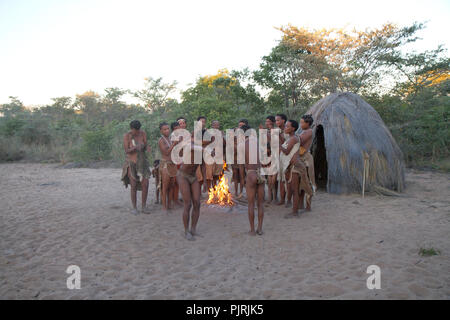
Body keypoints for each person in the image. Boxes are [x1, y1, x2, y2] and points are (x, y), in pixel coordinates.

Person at [121, 120, 151, 215]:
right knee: (133, 185)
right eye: (135, 131)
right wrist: (135, 147)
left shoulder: (142, 133)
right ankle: (134, 207)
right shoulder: (127, 136)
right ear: (131, 129)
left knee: (145, 184)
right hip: (132, 162)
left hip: (142, 162)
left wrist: (145, 146)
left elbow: (146, 145)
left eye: (138, 130)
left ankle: (144, 206)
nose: (137, 132)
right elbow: (126, 150)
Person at [176, 142, 203, 240]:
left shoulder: (202, 152)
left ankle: (193, 229)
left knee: (197, 203)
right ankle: (186, 231)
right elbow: (191, 146)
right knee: (188, 204)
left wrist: (203, 182)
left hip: (193, 177)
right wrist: (204, 149)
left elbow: (202, 167)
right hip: (183, 176)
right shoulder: (191, 147)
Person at [242, 125, 265, 235]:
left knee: (251, 204)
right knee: (260, 203)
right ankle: (260, 228)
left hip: (251, 173)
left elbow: (242, 165)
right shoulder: (259, 142)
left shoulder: (243, 144)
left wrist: (243, 179)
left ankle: (252, 230)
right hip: (260, 172)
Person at [294, 114, 316, 211]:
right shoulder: (303, 131)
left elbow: (299, 141)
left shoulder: (309, 131)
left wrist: (292, 137)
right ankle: (301, 204)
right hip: (300, 157)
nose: (301, 124)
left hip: (306, 158)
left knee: (307, 182)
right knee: (300, 183)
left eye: (302, 122)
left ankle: (308, 206)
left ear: (308, 123)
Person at [158, 122, 179, 211]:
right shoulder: (161, 141)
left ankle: (169, 204)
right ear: (161, 131)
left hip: (173, 164)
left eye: (167, 129)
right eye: (164, 129)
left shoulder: (171, 139)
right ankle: (164, 206)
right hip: (165, 164)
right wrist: (174, 144)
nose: (167, 131)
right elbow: (166, 152)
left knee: (171, 185)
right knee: (165, 186)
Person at [275, 113, 292, 206]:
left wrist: (278, 136)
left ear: (283, 120)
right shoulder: (277, 130)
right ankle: (282, 199)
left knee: (287, 179)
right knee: (281, 179)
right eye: (276, 120)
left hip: (287, 156)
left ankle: (289, 200)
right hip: (279, 157)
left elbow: (286, 144)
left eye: (278, 120)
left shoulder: (288, 130)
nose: (276, 122)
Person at [264, 115, 278, 203]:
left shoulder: (276, 131)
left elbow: (275, 144)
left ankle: (275, 197)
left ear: (272, 122)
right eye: (266, 121)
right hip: (267, 156)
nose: (267, 123)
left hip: (274, 156)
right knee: (268, 179)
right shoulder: (266, 132)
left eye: (268, 121)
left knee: (274, 180)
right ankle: (270, 197)